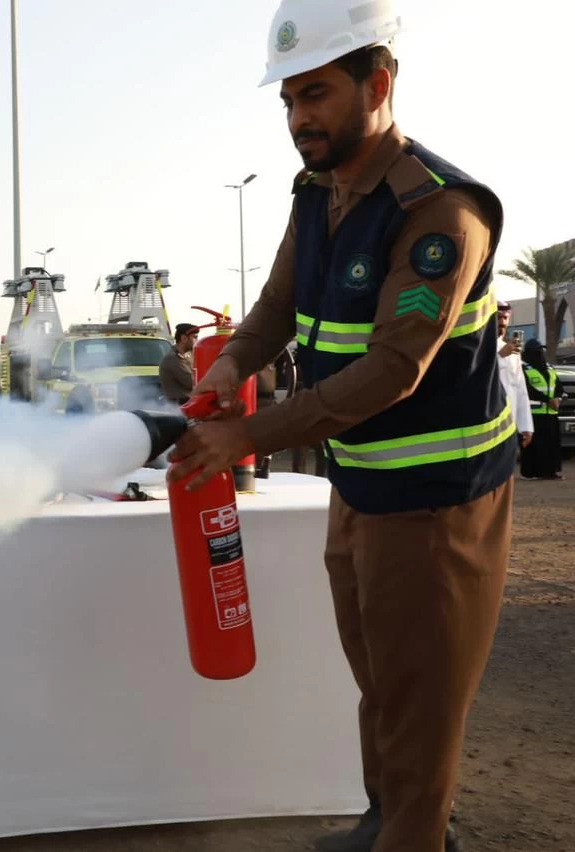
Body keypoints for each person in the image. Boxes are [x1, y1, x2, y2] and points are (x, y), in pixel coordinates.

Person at [168, 4, 513, 850]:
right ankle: (384, 822)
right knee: (380, 680)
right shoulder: (320, 190)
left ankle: (412, 836)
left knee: (419, 702)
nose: (298, 120)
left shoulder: (440, 213)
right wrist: (230, 364)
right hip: (360, 483)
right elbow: (279, 304)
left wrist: (245, 438)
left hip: (435, 503)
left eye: (315, 94)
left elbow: (397, 368)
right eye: (288, 100)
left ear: (379, 83)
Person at [519, 338, 565, 480]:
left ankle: (550, 472)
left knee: (551, 445)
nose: (540, 354)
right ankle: (530, 473)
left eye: (541, 351)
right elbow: (526, 389)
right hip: (533, 414)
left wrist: (558, 398)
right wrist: (547, 399)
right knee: (534, 446)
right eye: (537, 352)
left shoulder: (549, 368)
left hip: (551, 413)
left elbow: (558, 387)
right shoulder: (523, 368)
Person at [495, 302, 535, 458]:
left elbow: (520, 390)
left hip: (509, 424)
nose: (502, 322)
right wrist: (499, 356)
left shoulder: (513, 351)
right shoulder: (477, 347)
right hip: (485, 424)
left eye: (505, 318)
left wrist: (526, 425)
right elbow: (473, 373)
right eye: (498, 317)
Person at [158, 323, 199, 404]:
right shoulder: (173, 358)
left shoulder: (188, 355)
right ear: (184, 338)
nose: (197, 341)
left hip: (187, 403)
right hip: (178, 406)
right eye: (195, 337)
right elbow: (193, 383)